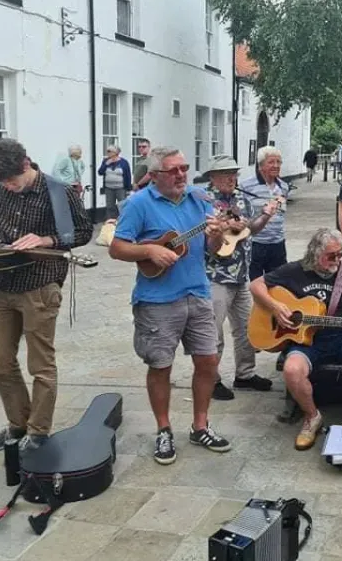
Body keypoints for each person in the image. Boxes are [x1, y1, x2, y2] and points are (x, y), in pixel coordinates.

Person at [0, 138, 93, 453]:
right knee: (0, 364)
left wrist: (47, 238)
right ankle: (17, 424)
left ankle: (38, 432)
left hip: (40, 283)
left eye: (11, 180)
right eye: (1, 183)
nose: (7, 187)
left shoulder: (59, 191)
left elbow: (81, 232)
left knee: (41, 365)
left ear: (26, 164)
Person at [109, 146, 232, 465]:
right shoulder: (138, 204)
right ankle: (164, 429)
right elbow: (117, 248)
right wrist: (150, 251)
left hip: (198, 293)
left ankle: (200, 425)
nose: (181, 175)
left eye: (184, 168)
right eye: (173, 170)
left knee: (209, 362)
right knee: (161, 366)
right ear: (154, 175)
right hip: (157, 301)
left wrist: (217, 235)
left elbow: (213, 249)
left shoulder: (198, 200)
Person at [250, 229, 342, 450]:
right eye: (331, 255)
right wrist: (275, 307)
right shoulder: (295, 270)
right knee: (291, 370)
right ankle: (312, 417)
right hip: (307, 341)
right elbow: (256, 285)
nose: (337, 260)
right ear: (315, 254)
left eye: (340, 254)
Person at [204, 156, 277, 400]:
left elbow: (249, 230)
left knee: (247, 327)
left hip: (241, 274)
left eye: (234, 173)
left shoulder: (241, 198)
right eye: (225, 174)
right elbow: (205, 238)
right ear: (212, 177)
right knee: (214, 333)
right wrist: (226, 227)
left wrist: (265, 216)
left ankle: (245, 374)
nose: (231, 178)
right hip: (215, 276)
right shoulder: (205, 202)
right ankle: (211, 380)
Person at [240, 146, 290, 281]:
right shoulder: (246, 186)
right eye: (271, 162)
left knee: (278, 284)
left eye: (279, 162)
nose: (276, 166)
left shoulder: (284, 187)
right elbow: (242, 218)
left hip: (277, 243)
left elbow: (281, 213)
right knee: (255, 284)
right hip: (256, 244)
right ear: (261, 165)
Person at [98, 145, 131, 218]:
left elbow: (128, 176)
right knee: (110, 207)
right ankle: (110, 224)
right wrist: (106, 164)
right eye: (107, 151)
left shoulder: (124, 162)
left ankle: (123, 222)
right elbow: (100, 172)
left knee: (122, 206)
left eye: (109, 151)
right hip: (109, 188)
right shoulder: (105, 161)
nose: (107, 153)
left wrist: (128, 189)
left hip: (121, 188)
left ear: (116, 152)